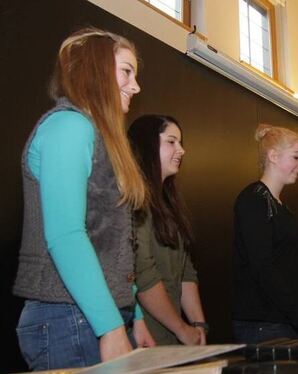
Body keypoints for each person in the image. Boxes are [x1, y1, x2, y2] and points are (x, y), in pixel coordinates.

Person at [13, 28, 151, 370]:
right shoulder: (68, 127)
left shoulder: (94, 135)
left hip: (94, 316)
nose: (135, 86)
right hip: (68, 319)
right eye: (126, 71)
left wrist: (134, 314)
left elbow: (110, 247)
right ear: (95, 69)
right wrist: (110, 327)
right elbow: (66, 236)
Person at [232, 124, 298, 343]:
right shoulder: (254, 199)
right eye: (296, 157)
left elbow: (291, 269)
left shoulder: (280, 206)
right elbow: (264, 269)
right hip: (264, 325)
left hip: (283, 323)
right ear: (273, 156)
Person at [128, 115, 207, 346]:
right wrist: (182, 329)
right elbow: (143, 275)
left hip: (172, 340)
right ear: (147, 145)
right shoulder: (135, 201)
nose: (181, 150)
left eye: (181, 143)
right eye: (171, 142)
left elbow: (186, 272)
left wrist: (198, 325)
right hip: (145, 341)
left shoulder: (169, 204)